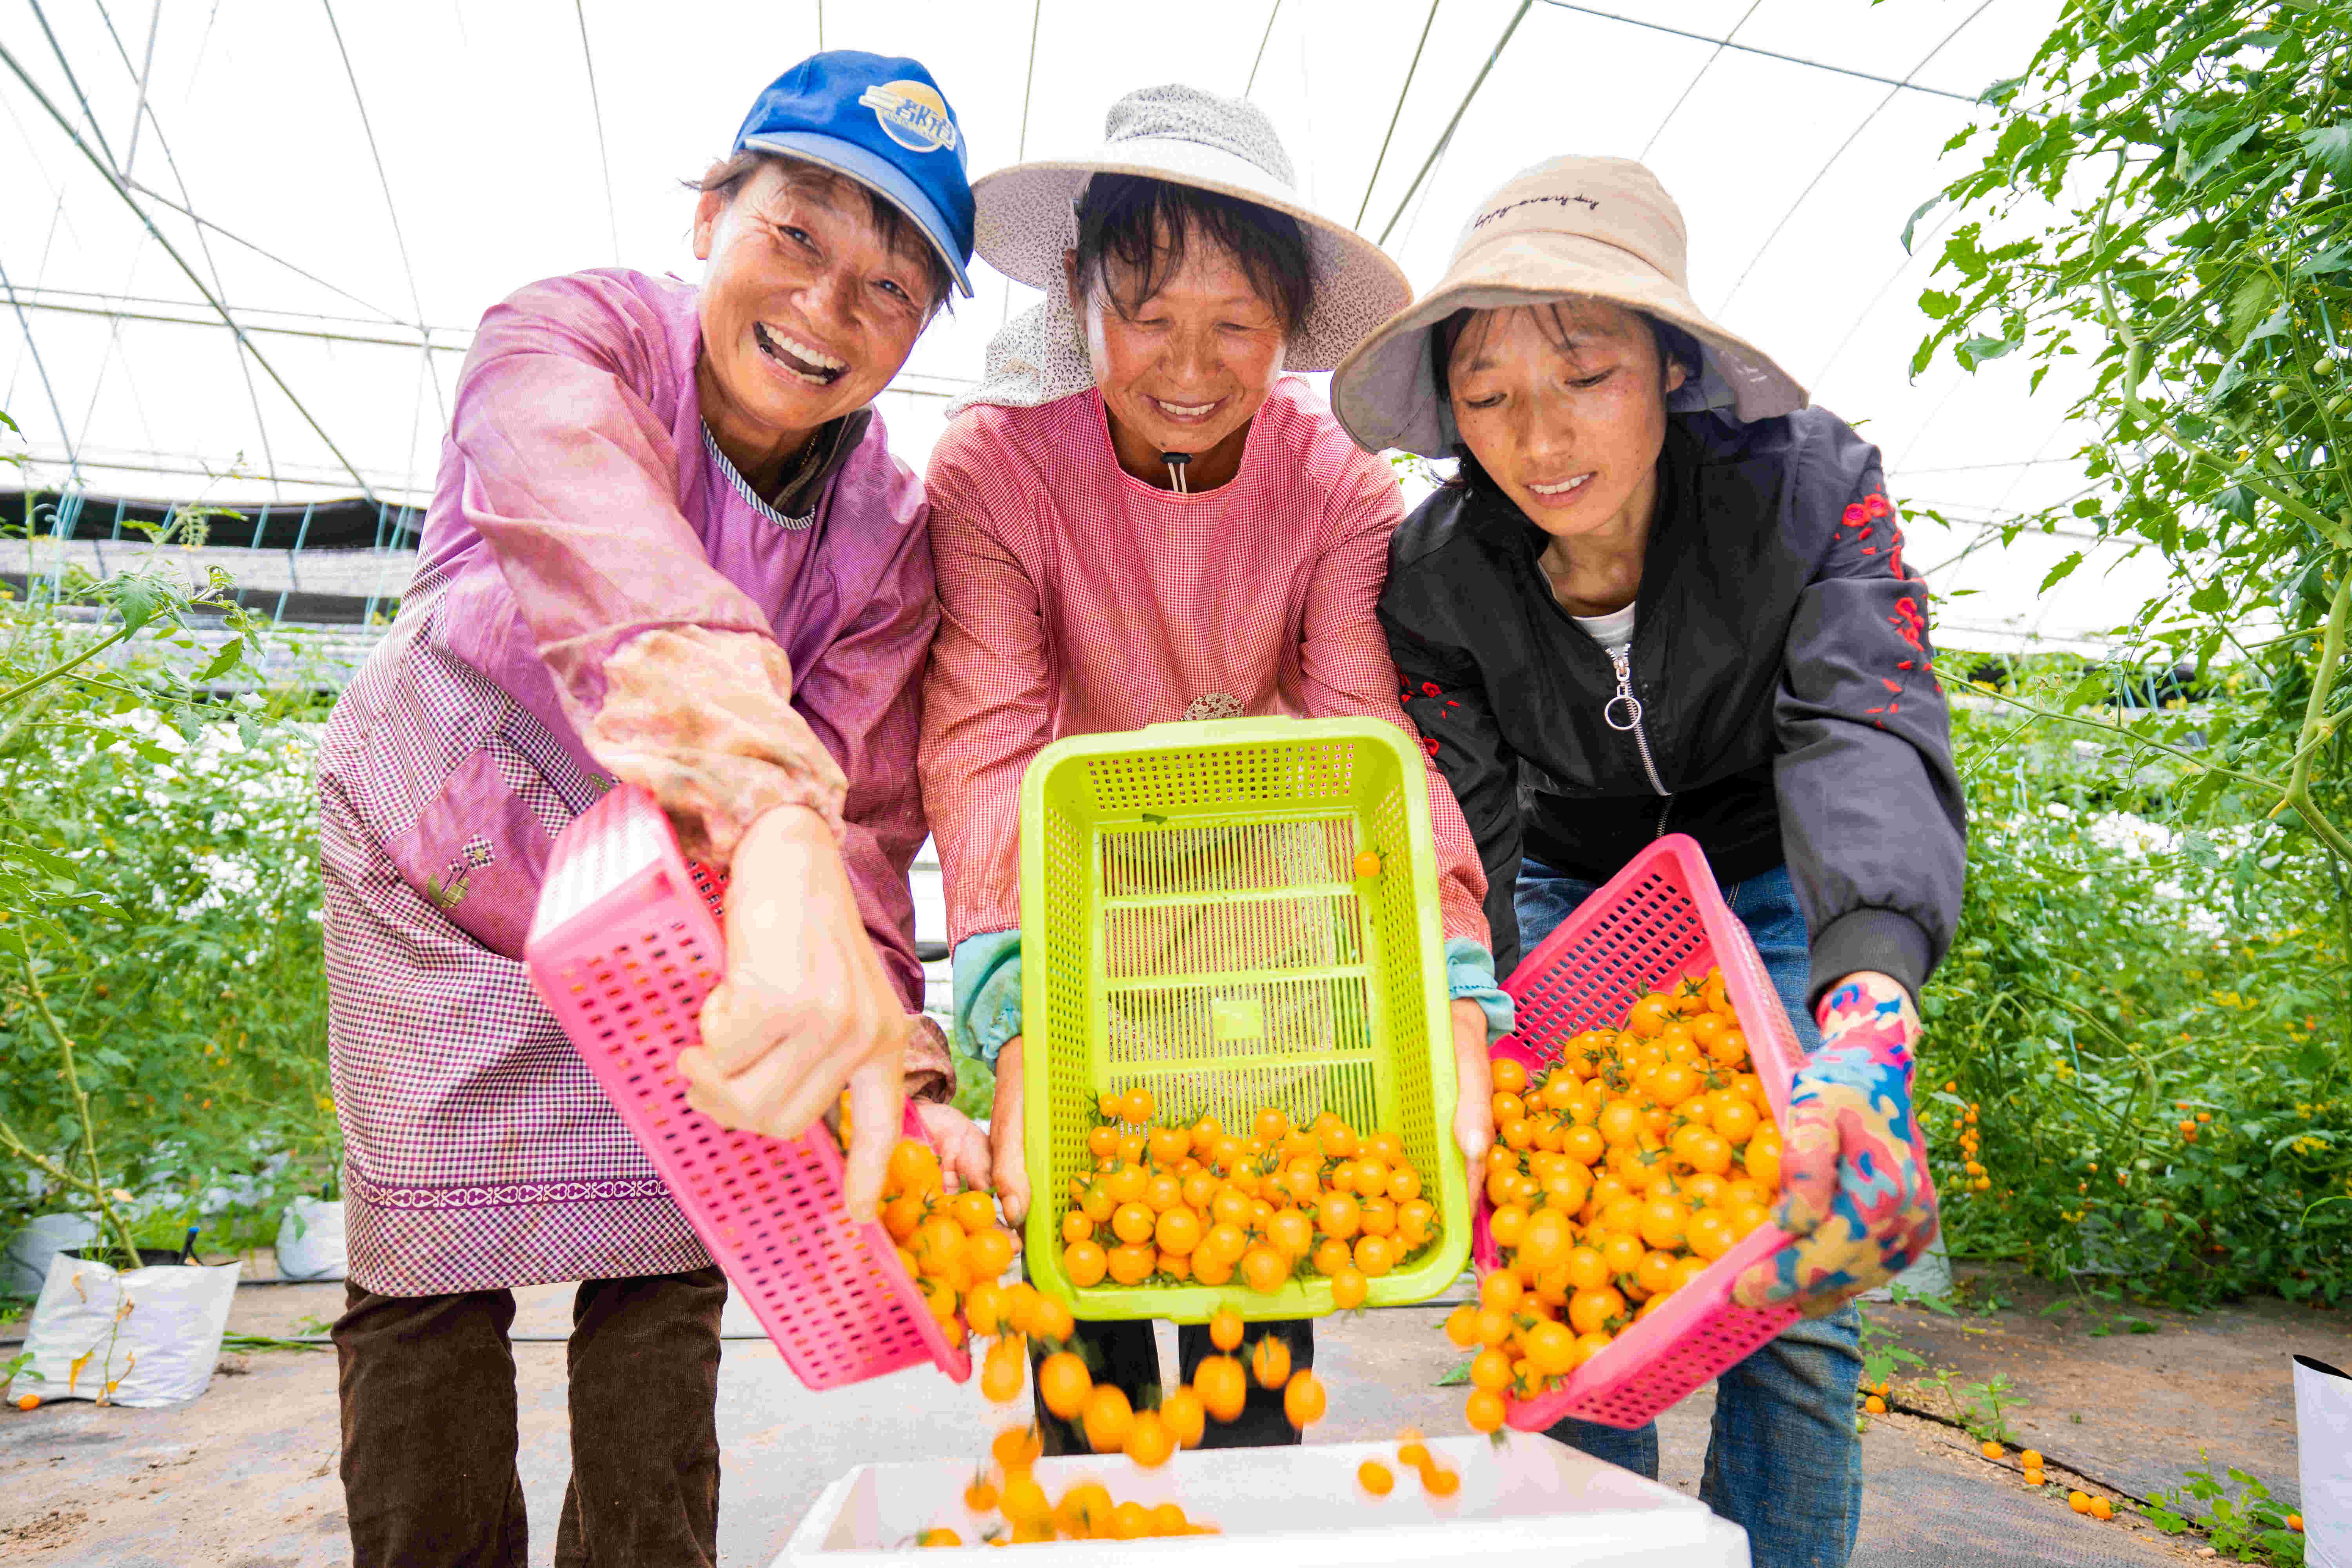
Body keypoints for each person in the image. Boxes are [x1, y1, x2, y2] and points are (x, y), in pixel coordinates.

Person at [318, 53, 989, 1568]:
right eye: (798, 235)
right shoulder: (570, 338)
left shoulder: (886, 532)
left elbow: (868, 818)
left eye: (891, 288)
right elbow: (593, 528)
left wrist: (909, 1066)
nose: (826, 306)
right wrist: (773, 816)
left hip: (683, 900)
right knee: (425, 1261)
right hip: (450, 851)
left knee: (689, 1237)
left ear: (925, 328)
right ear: (710, 218)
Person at [1331, 156, 1959, 1567]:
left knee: (1796, 1284)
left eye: (1584, 372)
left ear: (1671, 366)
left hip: (1778, 864)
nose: (1538, 435)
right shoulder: (1438, 575)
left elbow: (1864, 726)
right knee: (1583, 1272)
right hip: (1571, 891)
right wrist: (1470, 997)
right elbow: (1460, 815)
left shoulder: (1808, 490)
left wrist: (1867, 995)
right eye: (1486, 394)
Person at [919, 85, 1509, 1454]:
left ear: (1291, 327)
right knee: (1093, 1319)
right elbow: (989, 738)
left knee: (1254, 1289)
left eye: (1236, 325)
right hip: (1079, 926)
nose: (1190, 366)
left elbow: (1373, 728)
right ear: (1078, 296)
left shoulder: (1338, 485)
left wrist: (1457, 976)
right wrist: (1011, 1020)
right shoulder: (1000, 470)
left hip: (1264, 950)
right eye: (1150, 316)